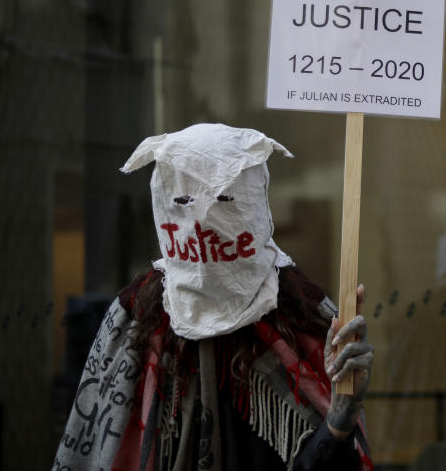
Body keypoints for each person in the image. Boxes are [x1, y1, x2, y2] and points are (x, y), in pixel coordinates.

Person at [53, 123, 374, 471]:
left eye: (225, 199)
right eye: (184, 201)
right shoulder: (136, 317)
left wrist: (341, 415)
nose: (204, 219)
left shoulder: (304, 317)